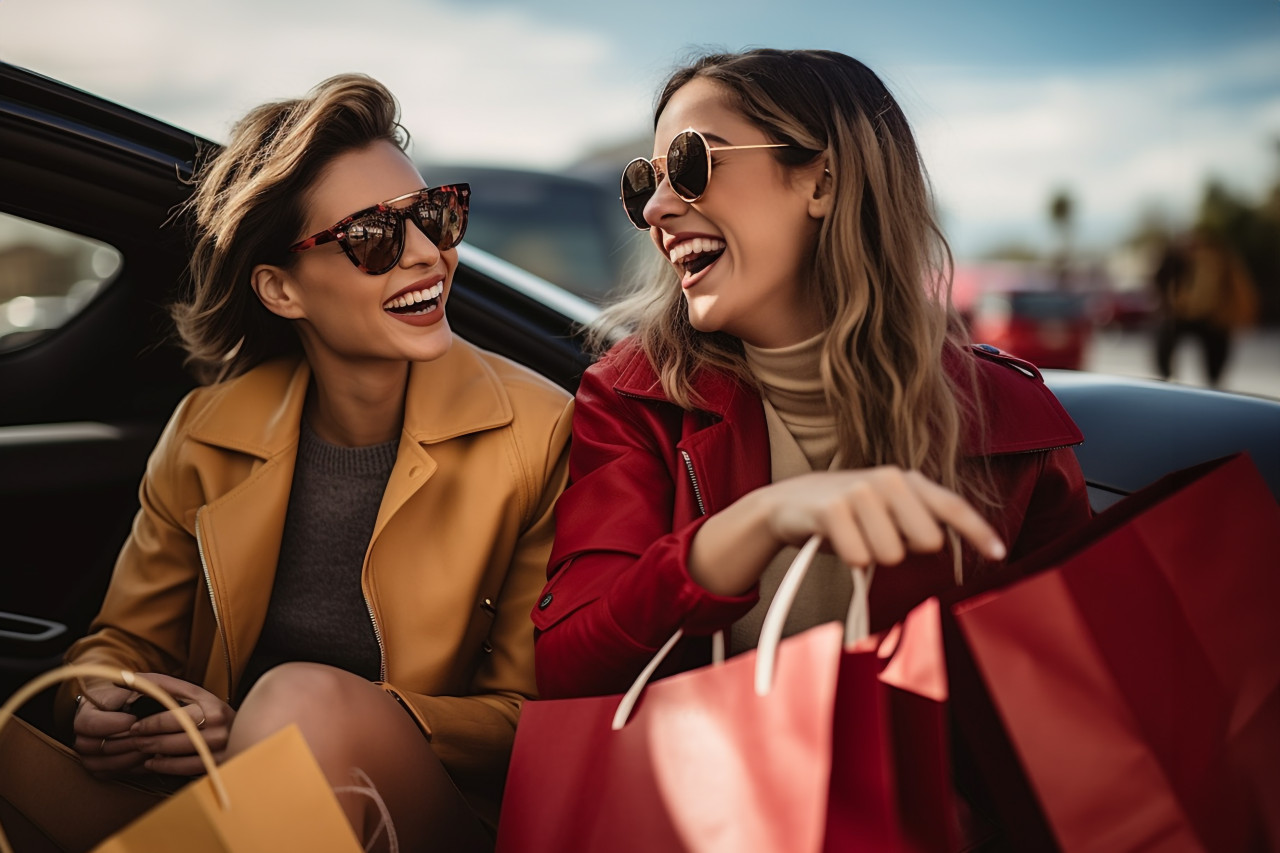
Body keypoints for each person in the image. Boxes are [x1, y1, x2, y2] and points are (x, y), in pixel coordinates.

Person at [0, 74, 571, 852]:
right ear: (280, 289)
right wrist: (104, 700)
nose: (426, 255)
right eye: (374, 237)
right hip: (211, 800)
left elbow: (532, 719)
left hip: (418, 815)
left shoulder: (539, 431)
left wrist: (294, 732)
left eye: (434, 217)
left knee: (303, 699)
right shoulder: (207, 429)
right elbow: (122, 644)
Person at [533, 49, 1093, 701]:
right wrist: (752, 527)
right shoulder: (636, 394)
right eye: (644, 184)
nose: (656, 209)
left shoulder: (1010, 421)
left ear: (822, 181)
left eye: (690, 165)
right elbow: (567, 668)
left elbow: (1074, 693)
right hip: (695, 797)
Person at [1154, 226, 1258, 388]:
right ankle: (1168, 380)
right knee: (1166, 339)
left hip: (1212, 317)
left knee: (1216, 357)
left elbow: (1238, 291)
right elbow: (1161, 281)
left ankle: (1212, 383)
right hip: (1182, 314)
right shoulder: (1179, 258)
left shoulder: (1221, 260)